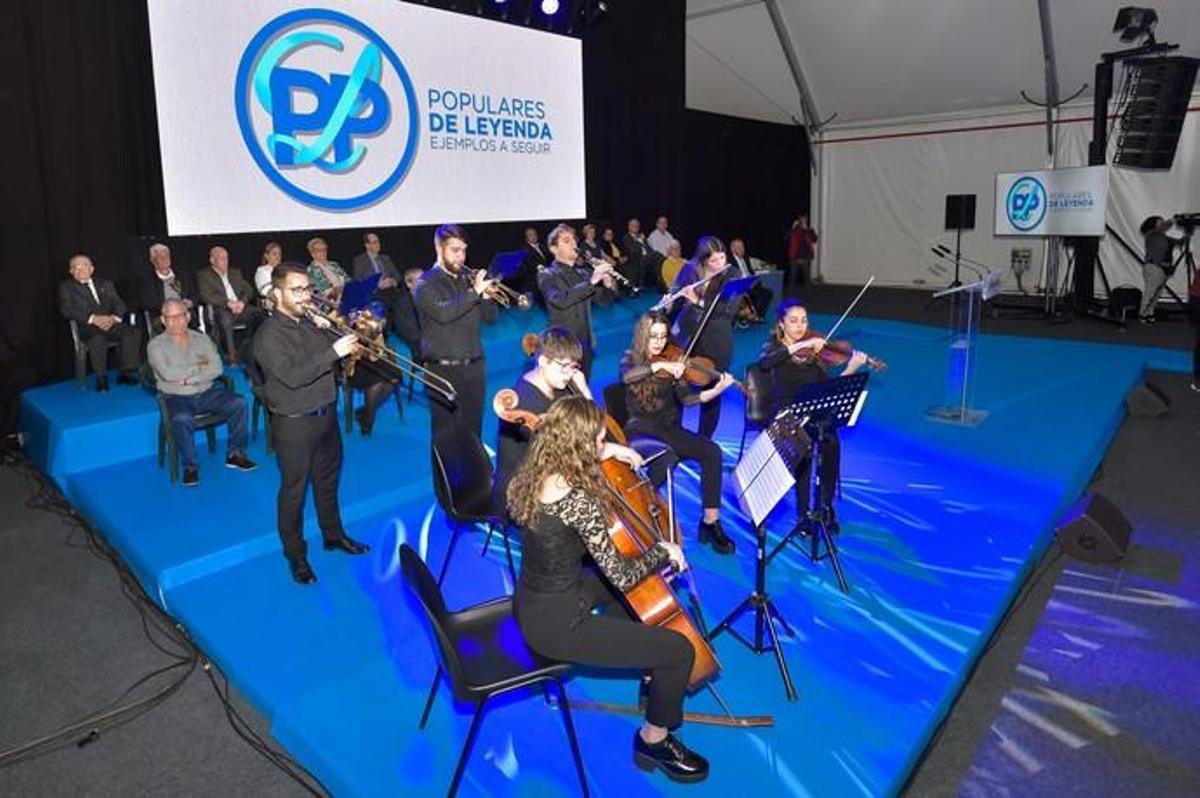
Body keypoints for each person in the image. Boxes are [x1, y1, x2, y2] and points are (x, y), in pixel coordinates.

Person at [507, 396, 709, 784]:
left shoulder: (534, 468)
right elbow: (623, 574)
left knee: (625, 599)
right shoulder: (578, 503)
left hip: (533, 598)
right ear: (578, 447)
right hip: (559, 626)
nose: (604, 445)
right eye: (599, 441)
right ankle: (653, 740)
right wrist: (661, 552)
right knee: (678, 650)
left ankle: (650, 673)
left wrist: (611, 450)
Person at [253, 263, 370, 585]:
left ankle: (333, 535)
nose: (305, 296)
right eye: (297, 290)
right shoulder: (268, 335)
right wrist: (332, 350)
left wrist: (331, 329)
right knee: (293, 492)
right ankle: (296, 556)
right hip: (295, 424)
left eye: (307, 289)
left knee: (327, 481)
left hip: (325, 415)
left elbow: (335, 358)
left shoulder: (310, 322)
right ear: (276, 294)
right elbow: (293, 376)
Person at [492, 327, 645, 512]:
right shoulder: (523, 404)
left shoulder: (561, 388)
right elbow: (561, 459)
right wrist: (608, 450)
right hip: (524, 493)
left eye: (573, 366)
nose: (569, 374)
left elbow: (593, 428)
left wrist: (584, 391)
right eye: (564, 366)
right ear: (543, 361)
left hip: (553, 480)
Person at [621, 312, 737, 554]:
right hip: (641, 430)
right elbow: (628, 377)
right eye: (653, 336)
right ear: (642, 336)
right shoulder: (630, 360)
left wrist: (716, 390)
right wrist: (659, 365)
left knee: (712, 452)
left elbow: (688, 399)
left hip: (670, 428)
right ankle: (637, 508)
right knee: (667, 458)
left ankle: (710, 522)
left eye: (663, 336)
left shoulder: (674, 361)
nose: (659, 342)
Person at [757, 299, 877, 529]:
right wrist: (803, 344)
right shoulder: (773, 349)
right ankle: (803, 513)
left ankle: (825, 505)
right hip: (786, 415)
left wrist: (851, 368)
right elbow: (764, 364)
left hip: (811, 411)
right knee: (804, 448)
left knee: (831, 441)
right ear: (781, 324)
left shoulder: (813, 355)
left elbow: (827, 389)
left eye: (804, 321)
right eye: (793, 321)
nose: (800, 326)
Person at [147, 299, 256, 486]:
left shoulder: (202, 339)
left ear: (188, 316)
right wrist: (199, 367)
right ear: (163, 320)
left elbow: (217, 368)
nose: (176, 321)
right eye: (170, 317)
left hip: (206, 392)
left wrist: (186, 378)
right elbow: (167, 374)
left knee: (239, 402)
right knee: (181, 419)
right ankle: (191, 466)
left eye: (180, 316)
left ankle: (235, 453)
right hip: (176, 396)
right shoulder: (155, 345)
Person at [413, 224, 500, 440]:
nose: (461, 257)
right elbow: (443, 313)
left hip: (475, 366)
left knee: (473, 431)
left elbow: (491, 319)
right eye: (455, 250)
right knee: (445, 436)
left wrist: (487, 298)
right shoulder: (424, 283)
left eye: (463, 250)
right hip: (443, 370)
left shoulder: (466, 280)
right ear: (439, 248)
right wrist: (475, 292)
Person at [670, 236, 738, 439]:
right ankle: (675, 434)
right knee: (678, 386)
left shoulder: (733, 275)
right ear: (703, 260)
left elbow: (728, 311)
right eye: (713, 260)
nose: (720, 264)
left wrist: (698, 301)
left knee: (712, 391)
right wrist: (671, 300)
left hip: (717, 340)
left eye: (722, 258)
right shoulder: (690, 270)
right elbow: (675, 297)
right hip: (689, 337)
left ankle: (704, 439)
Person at [538, 224, 616, 380]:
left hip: (585, 344)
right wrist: (591, 282)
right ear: (554, 249)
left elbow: (604, 301)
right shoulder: (547, 274)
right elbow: (559, 300)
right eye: (566, 241)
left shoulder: (583, 273)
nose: (573, 244)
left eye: (574, 240)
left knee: (583, 385)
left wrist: (609, 284)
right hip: (561, 347)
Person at [58, 254, 142, 392]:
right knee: (98, 338)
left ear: (92, 269)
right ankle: (101, 378)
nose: (80, 269)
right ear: (71, 271)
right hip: (88, 326)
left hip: (111, 323)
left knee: (132, 333)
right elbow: (66, 310)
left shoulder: (105, 284)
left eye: (84, 265)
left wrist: (113, 318)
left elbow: (120, 305)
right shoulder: (67, 287)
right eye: (76, 267)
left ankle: (125, 373)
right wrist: (93, 319)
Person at [197, 245, 266, 364]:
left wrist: (242, 302)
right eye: (221, 258)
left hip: (240, 306)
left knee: (260, 314)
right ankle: (232, 355)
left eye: (226, 258)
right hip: (221, 308)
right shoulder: (204, 275)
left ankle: (252, 348)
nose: (225, 261)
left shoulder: (235, 273)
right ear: (212, 260)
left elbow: (248, 289)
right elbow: (206, 295)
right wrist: (228, 303)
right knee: (226, 319)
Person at [351, 231, 407, 332]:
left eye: (378, 242)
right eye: (374, 242)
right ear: (367, 245)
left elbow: (398, 276)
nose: (378, 245)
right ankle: (383, 333)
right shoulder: (360, 260)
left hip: (391, 291)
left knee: (405, 301)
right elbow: (358, 280)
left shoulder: (385, 258)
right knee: (381, 305)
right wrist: (377, 284)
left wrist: (393, 281)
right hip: (374, 293)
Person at [134, 243, 195, 326]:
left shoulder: (183, 276)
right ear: (153, 260)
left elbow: (194, 295)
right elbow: (146, 303)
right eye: (161, 257)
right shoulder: (146, 281)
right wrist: (170, 307)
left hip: (184, 315)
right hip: (162, 316)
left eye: (167, 256)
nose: (165, 259)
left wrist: (190, 302)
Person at [1138, 215, 1184, 323]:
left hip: (1163, 268)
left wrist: (1187, 234)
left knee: (1156, 294)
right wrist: (1174, 219)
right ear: (1153, 224)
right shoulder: (1151, 234)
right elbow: (1162, 228)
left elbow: (1178, 242)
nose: (1162, 223)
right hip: (1153, 267)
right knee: (1150, 292)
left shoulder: (1163, 237)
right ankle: (1142, 314)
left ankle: (1149, 313)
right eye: (1160, 221)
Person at [729, 238, 772, 323]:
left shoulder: (746, 258)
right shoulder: (729, 261)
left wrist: (754, 277)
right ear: (732, 249)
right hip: (739, 287)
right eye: (739, 247)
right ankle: (747, 316)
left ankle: (758, 316)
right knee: (751, 295)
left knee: (768, 293)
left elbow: (750, 271)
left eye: (743, 247)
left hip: (750, 284)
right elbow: (731, 278)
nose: (742, 249)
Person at [785, 213, 818, 289]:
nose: (803, 221)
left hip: (805, 256)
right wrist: (792, 227)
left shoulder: (809, 230)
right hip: (794, 256)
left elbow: (814, 239)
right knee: (792, 276)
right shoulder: (794, 230)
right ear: (799, 220)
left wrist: (806, 229)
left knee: (807, 277)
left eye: (805, 219)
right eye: (801, 219)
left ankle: (809, 293)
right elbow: (785, 237)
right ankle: (790, 292)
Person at [621, 218, 653, 288]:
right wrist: (639, 241)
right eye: (633, 225)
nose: (636, 227)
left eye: (637, 225)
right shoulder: (626, 238)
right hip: (634, 260)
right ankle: (638, 286)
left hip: (646, 258)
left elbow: (649, 249)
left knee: (657, 257)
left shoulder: (641, 236)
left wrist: (650, 254)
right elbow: (632, 251)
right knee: (641, 262)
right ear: (629, 227)